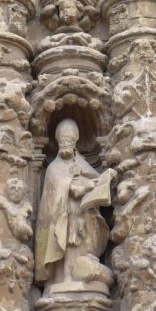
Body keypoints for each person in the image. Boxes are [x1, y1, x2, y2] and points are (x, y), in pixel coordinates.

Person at [35, 119, 112, 294]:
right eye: (62, 142)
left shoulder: (82, 164)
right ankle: (63, 278)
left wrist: (102, 181)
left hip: (82, 216)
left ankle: (82, 274)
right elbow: (63, 190)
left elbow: (94, 177)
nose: (65, 145)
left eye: (68, 141)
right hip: (63, 218)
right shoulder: (53, 168)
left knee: (82, 247)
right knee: (67, 247)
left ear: (75, 142)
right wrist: (83, 187)